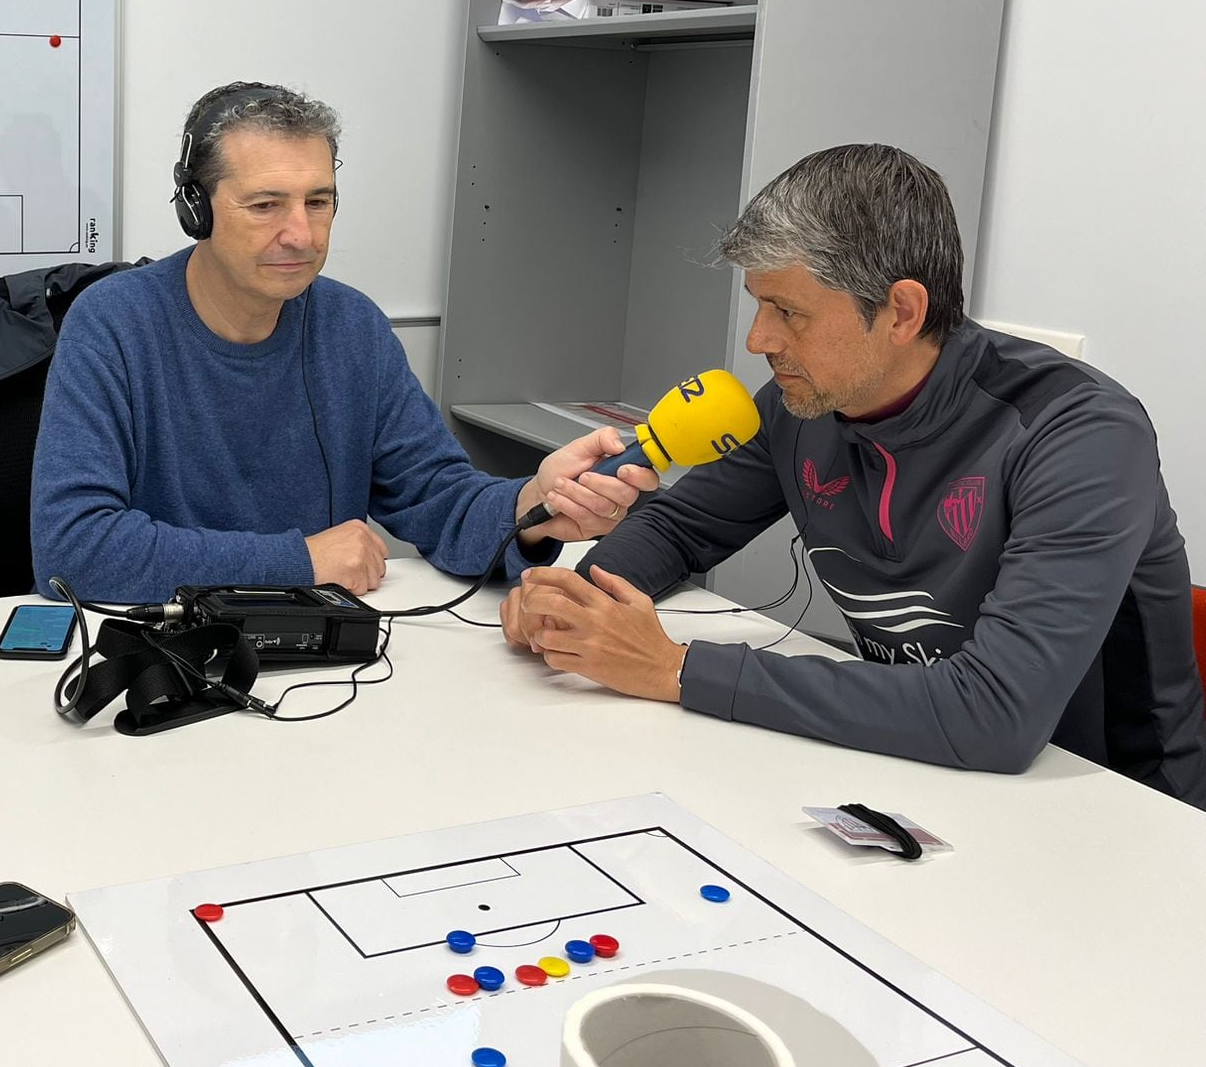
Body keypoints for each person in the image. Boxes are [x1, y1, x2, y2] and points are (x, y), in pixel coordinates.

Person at [503, 144, 1206, 806]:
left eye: (789, 312)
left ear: (901, 311)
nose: (758, 339)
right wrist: (572, 604)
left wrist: (675, 669)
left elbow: (998, 713)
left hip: (1105, 809)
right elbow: (680, 525)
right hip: (913, 766)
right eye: (758, 303)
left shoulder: (1080, 432)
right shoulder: (800, 401)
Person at [30, 82, 656, 606]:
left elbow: (438, 500)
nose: (300, 234)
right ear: (197, 209)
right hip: (164, 655)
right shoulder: (112, 324)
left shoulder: (351, 326)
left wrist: (532, 504)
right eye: (266, 205)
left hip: (321, 655)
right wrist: (299, 559)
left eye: (318, 201)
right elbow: (74, 551)